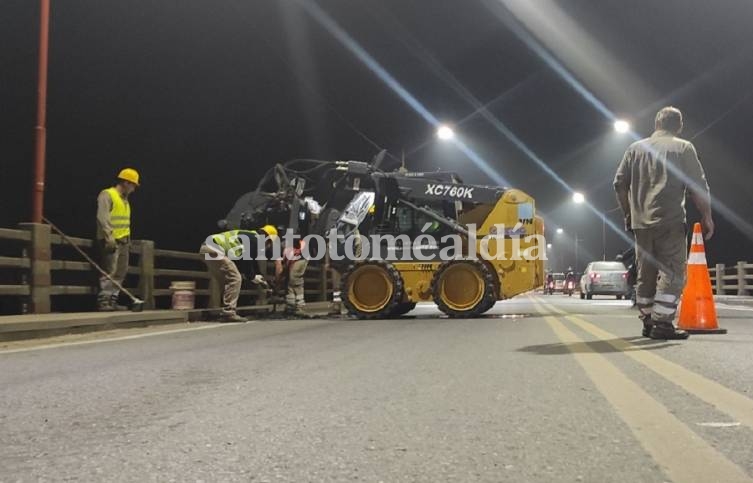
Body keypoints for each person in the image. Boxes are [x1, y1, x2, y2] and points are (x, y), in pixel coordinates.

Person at [614, 106, 713, 340]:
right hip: (670, 221)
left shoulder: (634, 149)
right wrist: (706, 216)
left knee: (645, 274)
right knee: (674, 272)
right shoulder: (683, 148)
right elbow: (697, 187)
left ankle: (648, 320)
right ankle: (662, 323)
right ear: (678, 126)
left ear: (656, 124)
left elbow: (619, 184)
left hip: (641, 224)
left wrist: (629, 214)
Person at [200, 225, 278, 322]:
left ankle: (213, 311)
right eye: (270, 243)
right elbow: (247, 261)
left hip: (207, 248)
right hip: (214, 248)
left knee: (225, 281)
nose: (268, 246)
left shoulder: (250, 236)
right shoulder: (255, 240)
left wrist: (257, 276)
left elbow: (249, 262)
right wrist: (252, 277)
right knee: (235, 278)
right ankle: (229, 313)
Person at [96, 168, 140, 311]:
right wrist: (109, 236)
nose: (134, 189)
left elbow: (125, 222)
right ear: (126, 182)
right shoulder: (107, 194)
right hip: (111, 240)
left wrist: (128, 240)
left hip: (123, 241)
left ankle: (112, 300)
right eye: (133, 185)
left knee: (121, 272)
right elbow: (102, 217)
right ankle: (104, 301)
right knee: (110, 271)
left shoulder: (125, 201)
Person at [275, 238, 309, 317]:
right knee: (289, 281)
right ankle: (291, 306)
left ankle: (300, 307)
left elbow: (278, 267)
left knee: (295, 280)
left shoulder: (276, 249)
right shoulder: (282, 246)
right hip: (297, 256)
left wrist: (277, 282)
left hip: (301, 256)